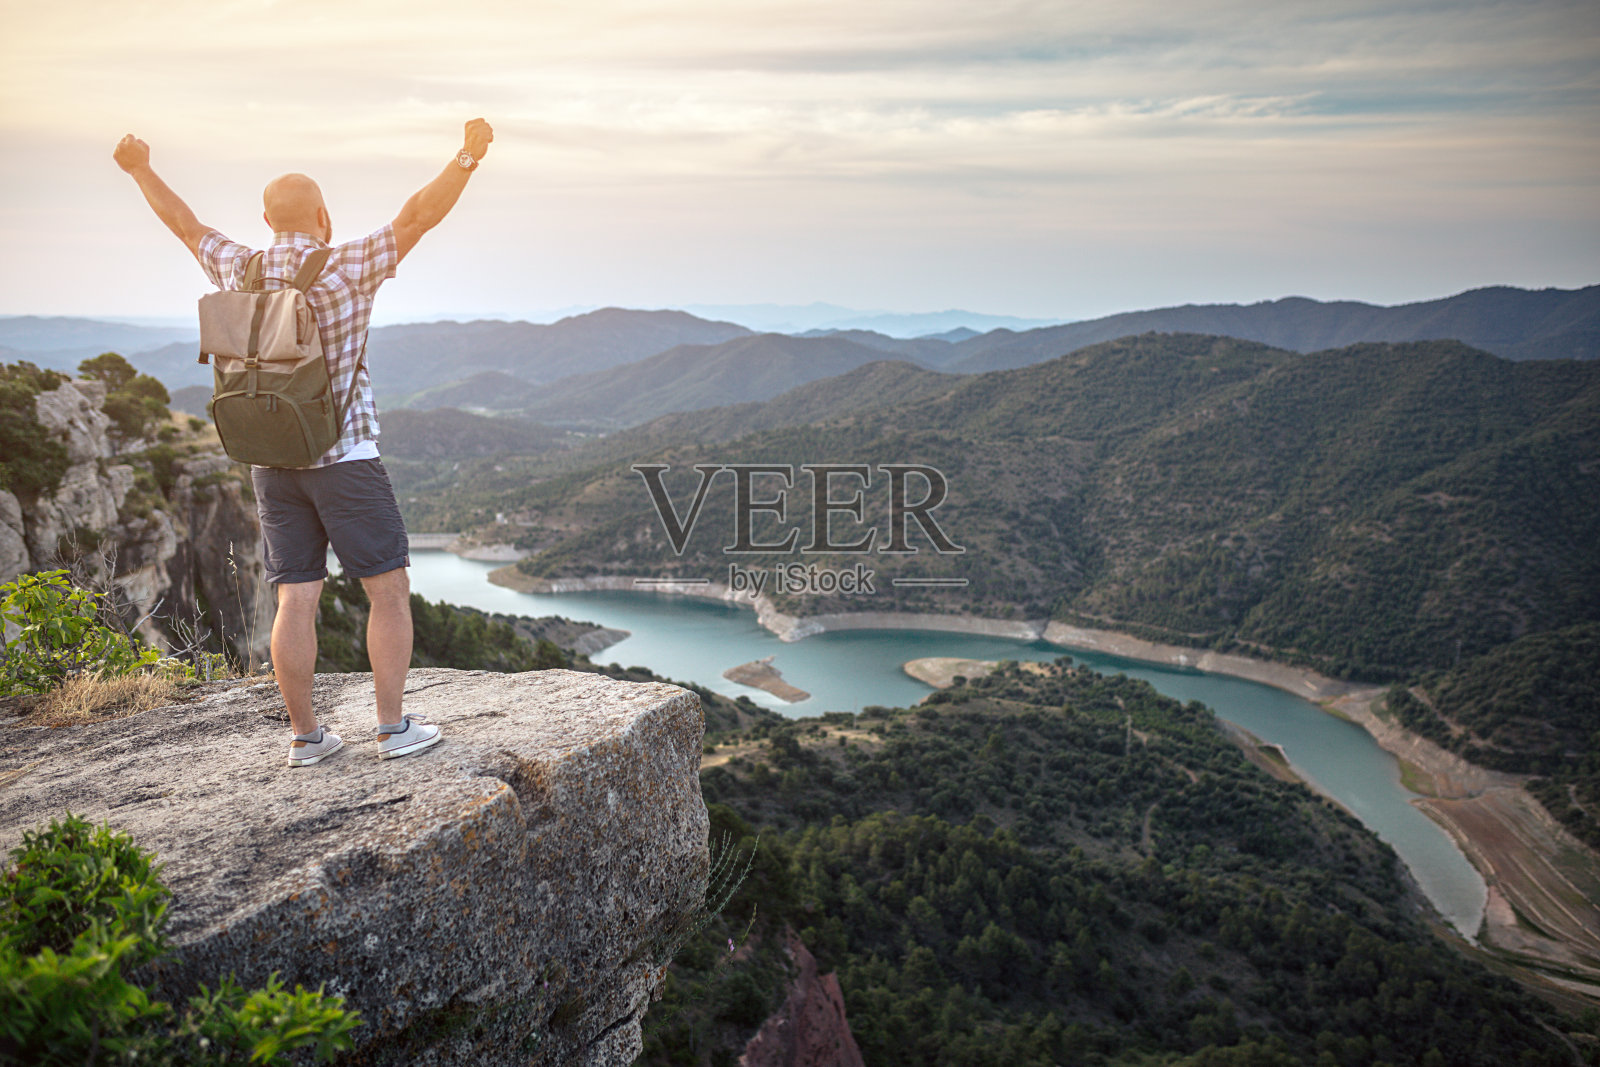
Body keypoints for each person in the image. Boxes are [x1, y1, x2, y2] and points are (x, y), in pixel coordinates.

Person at [113, 118, 495, 767]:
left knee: (296, 597)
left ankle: (306, 737)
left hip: (268, 462)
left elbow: (183, 222)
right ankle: (392, 726)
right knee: (388, 590)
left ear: (266, 217)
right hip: (343, 459)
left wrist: (139, 168)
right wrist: (467, 156)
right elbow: (419, 215)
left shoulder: (240, 263)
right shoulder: (346, 264)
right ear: (322, 215)